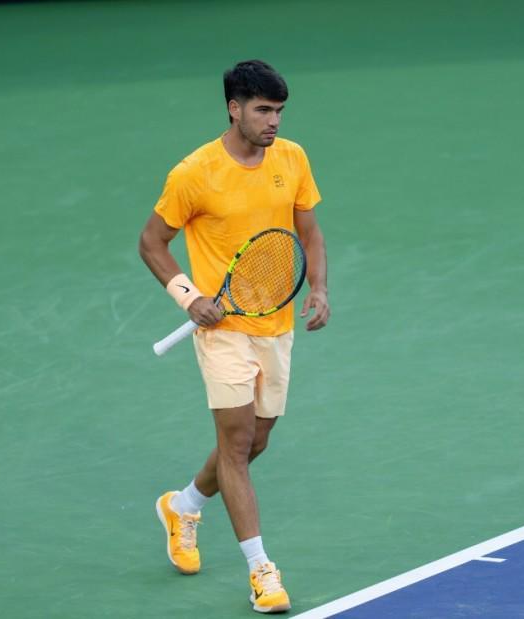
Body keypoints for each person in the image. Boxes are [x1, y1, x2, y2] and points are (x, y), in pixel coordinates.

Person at [138, 59, 330, 614]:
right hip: (222, 331)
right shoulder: (194, 173)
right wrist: (189, 297)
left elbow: (309, 233)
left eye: (279, 111)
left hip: (276, 322)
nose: (274, 122)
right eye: (263, 110)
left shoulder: (292, 158)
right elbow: (151, 242)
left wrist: (319, 288)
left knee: (253, 442)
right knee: (238, 445)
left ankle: (182, 506)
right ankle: (261, 571)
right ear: (234, 108)